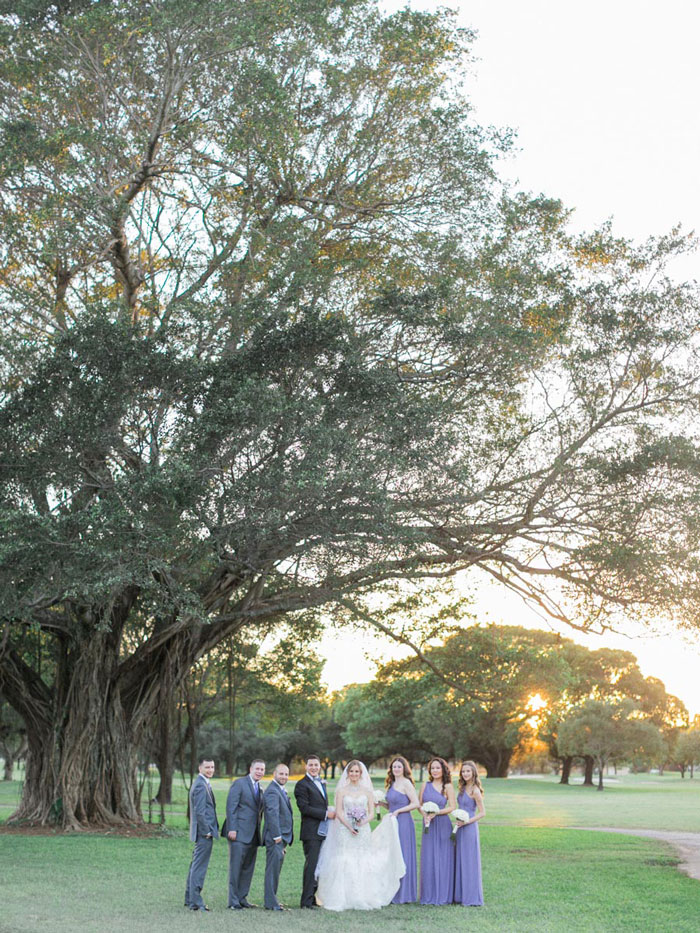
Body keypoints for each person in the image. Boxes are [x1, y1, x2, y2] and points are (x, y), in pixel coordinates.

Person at [315, 759, 405, 911]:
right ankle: (342, 897)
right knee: (345, 858)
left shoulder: (367, 791)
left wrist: (361, 823)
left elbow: (370, 813)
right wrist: (349, 826)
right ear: (348, 773)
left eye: (357, 771)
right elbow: (339, 812)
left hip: (363, 829)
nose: (354, 774)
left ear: (361, 773)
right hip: (345, 829)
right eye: (351, 771)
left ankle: (363, 896)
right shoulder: (341, 791)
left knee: (362, 859)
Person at [294, 753, 336, 908]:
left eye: (316, 765)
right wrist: (326, 814)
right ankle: (305, 902)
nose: (313, 767)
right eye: (310, 765)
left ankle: (312, 898)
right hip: (311, 832)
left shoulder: (321, 783)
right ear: (306, 766)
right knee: (311, 865)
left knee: (319, 865)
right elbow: (304, 808)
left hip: (322, 831)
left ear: (319, 766)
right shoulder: (301, 785)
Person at [223, 758, 265, 910]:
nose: (260, 772)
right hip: (238, 832)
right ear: (251, 768)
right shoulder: (239, 784)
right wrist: (232, 828)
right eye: (257, 769)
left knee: (248, 868)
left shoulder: (260, 788)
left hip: (253, 834)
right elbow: (231, 807)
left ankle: (242, 898)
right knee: (236, 867)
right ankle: (233, 901)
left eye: (262, 769)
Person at [380, 755, 419, 903]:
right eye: (394, 767)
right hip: (392, 822)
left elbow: (415, 803)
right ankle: (392, 891)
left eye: (399, 767)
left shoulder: (406, 783)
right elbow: (392, 806)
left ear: (404, 769)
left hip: (403, 822)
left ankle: (405, 894)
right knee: (392, 854)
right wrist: (382, 805)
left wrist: (399, 811)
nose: (396, 769)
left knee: (403, 854)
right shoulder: (391, 784)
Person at [419, 756, 456, 905]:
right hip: (428, 824)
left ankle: (442, 895)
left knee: (442, 858)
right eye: (432, 768)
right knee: (428, 858)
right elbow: (419, 804)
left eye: (437, 768)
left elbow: (453, 806)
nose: (435, 770)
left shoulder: (447, 786)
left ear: (443, 769)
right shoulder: (424, 785)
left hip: (442, 824)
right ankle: (428, 895)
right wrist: (425, 816)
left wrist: (437, 813)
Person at [185, 756, 219, 912]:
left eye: (212, 767)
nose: (210, 770)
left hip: (203, 832)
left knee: (195, 865)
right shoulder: (200, 785)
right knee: (199, 867)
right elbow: (200, 812)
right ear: (200, 768)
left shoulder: (203, 783)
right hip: (203, 833)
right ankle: (196, 903)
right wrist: (207, 831)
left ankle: (189, 898)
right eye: (207, 767)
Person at [262, 763, 294, 911]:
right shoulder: (272, 791)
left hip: (281, 839)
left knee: (275, 870)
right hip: (276, 837)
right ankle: (270, 903)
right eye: (281, 774)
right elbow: (272, 814)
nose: (284, 777)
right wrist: (277, 837)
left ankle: (273, 899)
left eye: (286, 774)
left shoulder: (279, 789)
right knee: (272, 870)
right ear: (274, 773)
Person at [454, 759, 485, 906]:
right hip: (459, 827)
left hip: (469, 828)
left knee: (469, 861)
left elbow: (482, 813)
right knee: (460, 859)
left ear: (473, 772)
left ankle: (471, 896)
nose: (465, 773)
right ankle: (460, 895)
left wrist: (467, 821)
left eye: (468, 771)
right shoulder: (462, 788)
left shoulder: (475, 790)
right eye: (463, 771)